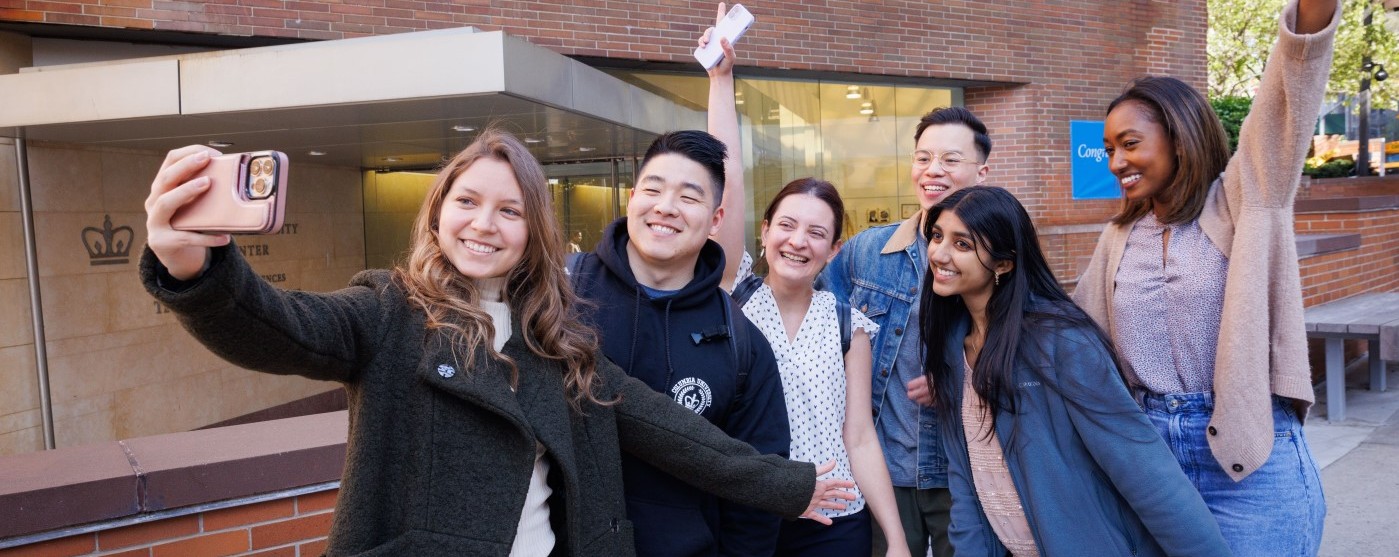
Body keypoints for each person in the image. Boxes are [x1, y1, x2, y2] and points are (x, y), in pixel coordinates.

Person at [140, 131, 855, 557]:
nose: (484, 224)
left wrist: (785, 484)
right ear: (438, 211)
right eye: (467, 202)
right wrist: (196, 269)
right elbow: (280, 324)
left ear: (533, 232)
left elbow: (674, 432)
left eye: (509, 209)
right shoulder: (388, 311)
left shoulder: (555, 338)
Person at [1076, 1, 1338, 555]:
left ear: (1179, 137)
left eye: (1130, 143)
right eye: (1108, 149)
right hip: (1150, 463)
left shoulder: (1246, 200)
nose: (1116, 161)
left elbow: (1284, 99)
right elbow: (1069, 334)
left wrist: (1313, 15)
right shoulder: (1119, 238)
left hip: (1247, 457)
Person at [921, 186, 1230, 556]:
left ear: (1004, 263)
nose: (939, 253)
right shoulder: (952, 346)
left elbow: (1141, 464)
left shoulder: (1060, 340)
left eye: (962, 244)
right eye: (937, 236)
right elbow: (965, 479)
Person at [698, 16, 909, 556]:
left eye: (817, 233)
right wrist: (721, 84)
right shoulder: (733, 296)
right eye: (786, 226)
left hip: (836, 522)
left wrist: (898, 539)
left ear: (834, 249)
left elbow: (859, 437)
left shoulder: (849, 323)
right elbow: (725, 181)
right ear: (764, 233)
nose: (798, 242)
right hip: (751, 514)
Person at [817, 105, 991, 557]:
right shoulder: (866, 253)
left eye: (951, 160)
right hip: (881, 472)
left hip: (966, 470)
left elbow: (1026, 349)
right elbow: (815, 335)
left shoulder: (1001, 256)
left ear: (982, 171)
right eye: (923, 158)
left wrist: (962, 381)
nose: (933, 171)